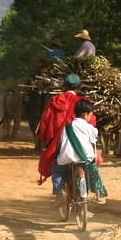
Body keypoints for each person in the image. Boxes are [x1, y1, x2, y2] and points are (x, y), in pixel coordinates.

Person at [36, 73, 96, 205]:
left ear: (64, 86)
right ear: (79, 87)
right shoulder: (83, 102)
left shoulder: (56, 100)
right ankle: (96, 192)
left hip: (59, 139)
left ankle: (58, 195)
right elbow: (92, 123)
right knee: (91, 163)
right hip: (82, 142)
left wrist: (45, 140)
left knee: (55, 167)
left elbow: (46, 122)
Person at [56, 99, 107, 204]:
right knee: (94, 170)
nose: (91, 117)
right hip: (85, 158)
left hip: (67, 158)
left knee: (56, 171)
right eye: (90, 114)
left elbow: (61, 141)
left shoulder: (66, 128)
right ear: (85, 114)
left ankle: (58, 195)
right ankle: (98, 194)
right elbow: (93, 142)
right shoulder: (90, 128)